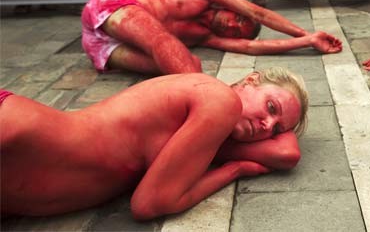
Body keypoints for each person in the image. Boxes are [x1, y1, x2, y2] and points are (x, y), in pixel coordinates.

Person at [1, 67, 307, 220]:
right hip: (17, 131)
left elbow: (286, 152)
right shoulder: (219, 100)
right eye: (270, 107)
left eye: (277, 127)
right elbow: (150, 204)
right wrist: (234, 170)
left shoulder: (201, 127)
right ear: (251, 80)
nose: (267, 126)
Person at [81, 0, 342, 75]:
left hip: (101, 49)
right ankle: (208, 103)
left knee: (189, 65)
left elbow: (251, 47)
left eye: (235, 31)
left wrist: (307, 42)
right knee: (164, 45)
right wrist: (305, 32)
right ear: (232, 9)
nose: (231, 26)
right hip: (109, 10)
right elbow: (256, 12)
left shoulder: (204, 36)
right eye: (237, 20)